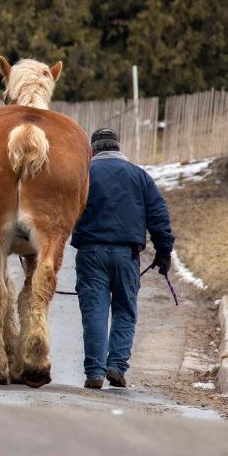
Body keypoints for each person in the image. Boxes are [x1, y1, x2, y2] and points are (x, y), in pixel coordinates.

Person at [71, 128, 174, 389]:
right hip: (126, 254)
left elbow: (62, 213)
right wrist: (163, 252)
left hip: (90, 253)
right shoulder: (139, 176)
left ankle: (94, 372)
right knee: (125, 310)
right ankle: (116, 366)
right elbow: (159, 215)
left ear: (92, 150)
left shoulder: (83, 174)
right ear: (118, 147)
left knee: (94, 310)